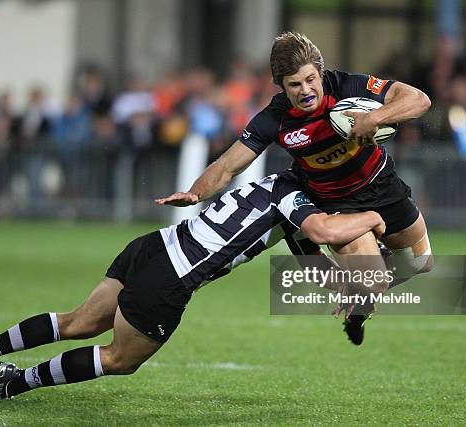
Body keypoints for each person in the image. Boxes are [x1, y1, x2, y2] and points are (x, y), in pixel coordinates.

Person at [0, 172, 385, 399]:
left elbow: (305, 243)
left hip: (155, 246)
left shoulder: (280, 187)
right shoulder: (299, 199)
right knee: (119, 359)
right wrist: (376, 216)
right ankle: (16, 383)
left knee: (76, 322)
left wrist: (340, 287)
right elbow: (324, 233)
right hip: (172, 276)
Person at [156, 32, 434, 342]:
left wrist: (375, 118)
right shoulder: (274, 118)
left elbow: (419, 100)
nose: (306, 90)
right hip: (335, 204)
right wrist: (195, 193)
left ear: (320, 72)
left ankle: (358, 295)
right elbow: (227, 166)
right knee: (374, 278)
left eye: (310, 79)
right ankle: (361, 292)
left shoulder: (347, 86)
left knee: (420, 264)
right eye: (295, 84)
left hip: (383, 186)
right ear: (281, 86)